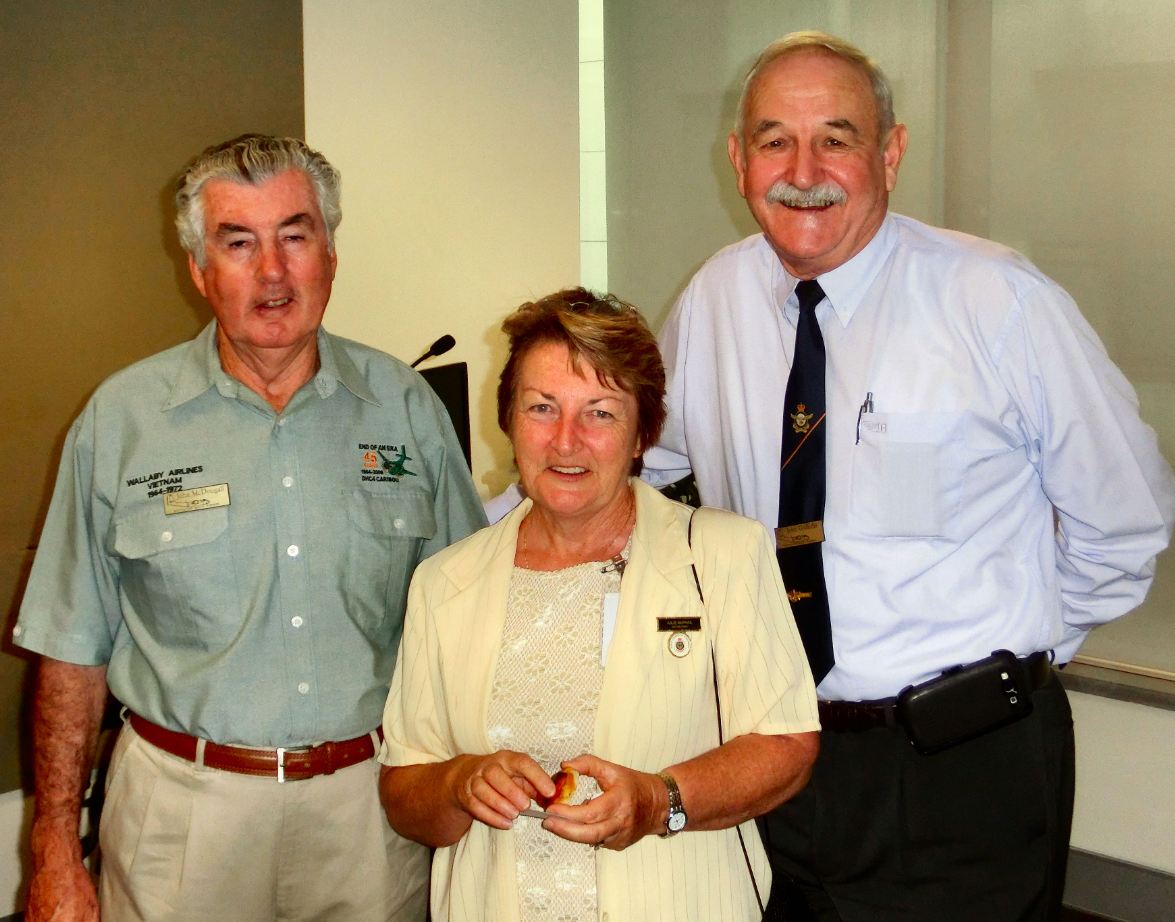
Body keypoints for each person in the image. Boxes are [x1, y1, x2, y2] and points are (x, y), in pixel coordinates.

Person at [643, 31, 1175, 922]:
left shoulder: (995, 301)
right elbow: (640, 467)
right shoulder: (715, 300)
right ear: (737, 160)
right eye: (774, 139)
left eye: (836, 138)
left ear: (890, 152)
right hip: (779, 751)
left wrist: (1018, 654)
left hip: (962, 767)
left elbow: (1122, 521)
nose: (801, 167)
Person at [13, 134, 486, 922]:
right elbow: (69, 649)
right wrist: (54, 845)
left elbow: (471, 622)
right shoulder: (121, 421)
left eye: (295, 236)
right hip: (181, 818)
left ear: (330, 255)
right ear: (199, 271)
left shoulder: (405, 409)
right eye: (239, 243)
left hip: (369, 816)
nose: (273, 272)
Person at [378, 288, 820, 922]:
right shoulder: (443, 581)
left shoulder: (723, 554)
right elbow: (404, 791)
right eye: (542, 408)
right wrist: (456, 784)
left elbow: (786, 743)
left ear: (643, 433)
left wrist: (659, 800)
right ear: (507, 420)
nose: (566, 440)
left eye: (601, 413)